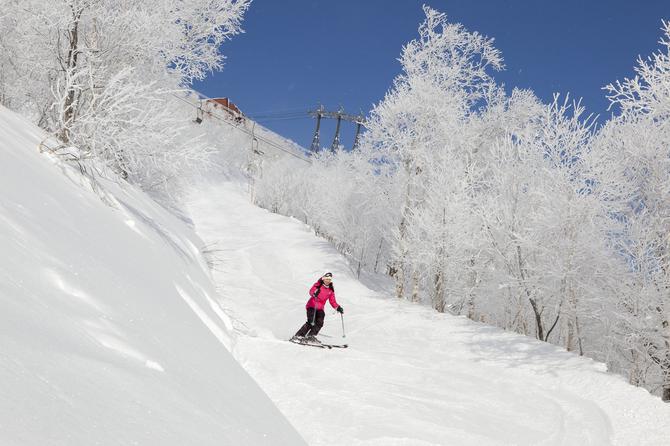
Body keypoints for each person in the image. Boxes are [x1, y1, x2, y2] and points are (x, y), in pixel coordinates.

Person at [292, 272, 343, 344]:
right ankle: (298, 336)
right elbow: (311, 291)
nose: (328, 281)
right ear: (323, 279)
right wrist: (315, 293)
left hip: (320, 308)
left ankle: (311, 336)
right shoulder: (318, 285)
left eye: (329, 279)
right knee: (311, 322)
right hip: (312, 306)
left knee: (320, 322)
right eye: (326, 279)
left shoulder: (330, 290)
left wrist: (337, 307)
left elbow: (332, 301)